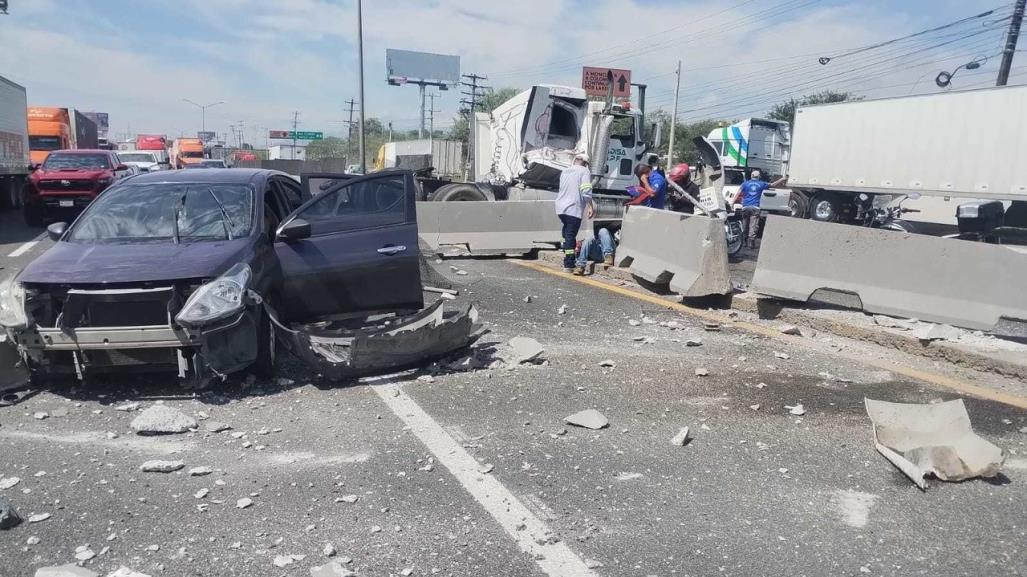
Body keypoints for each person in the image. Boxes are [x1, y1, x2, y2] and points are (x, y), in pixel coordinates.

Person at [556, 153, 595, 272]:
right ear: (586, 164)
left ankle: (567, 251)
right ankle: (569, 263)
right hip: (573, 208)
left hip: (560, 208)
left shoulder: (565, 171)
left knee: (567, 233)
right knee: (570, 236)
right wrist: (590, 206)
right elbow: (586, 190)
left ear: (575, 160)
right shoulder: (584, 171)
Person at [734, 168, 787, 248]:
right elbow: (773, 184)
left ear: (751, 176)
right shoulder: (762, 184)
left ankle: (744, 241)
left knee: (745, 224)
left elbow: (738, 193)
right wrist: (782, 179)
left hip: (745, 207)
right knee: (753, 225)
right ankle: (751, 242)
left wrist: (732, 203)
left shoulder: (745, 184)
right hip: (755, 207)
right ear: (758, 176)